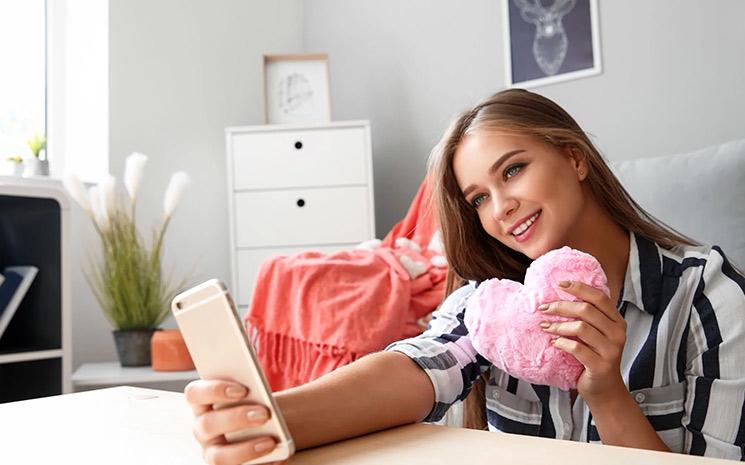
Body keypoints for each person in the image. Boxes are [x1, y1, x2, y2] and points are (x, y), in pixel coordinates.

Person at [185, 89, 745, 464]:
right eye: (478, 197)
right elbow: (417, 365)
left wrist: (606, 393)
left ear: (575, 158)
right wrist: (271, 417)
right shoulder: (493, 306)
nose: (500, 207)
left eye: (514, 170)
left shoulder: (708, 299)